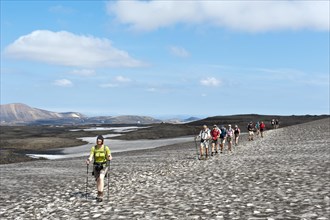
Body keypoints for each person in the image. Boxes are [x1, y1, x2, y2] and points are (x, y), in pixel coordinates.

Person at [86, 135, 112, 202]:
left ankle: (100, 194)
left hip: (104, 166)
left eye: (100, 141)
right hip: (96, 166)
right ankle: (98, 193)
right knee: (98, 180)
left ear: (102, 141)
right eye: (97, 141)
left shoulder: (106, 148)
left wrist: (109, 157)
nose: (98, 142)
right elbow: (91, 156)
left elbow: (109, 155)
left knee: (101, 178)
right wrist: (89, 160)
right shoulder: (94, 148)